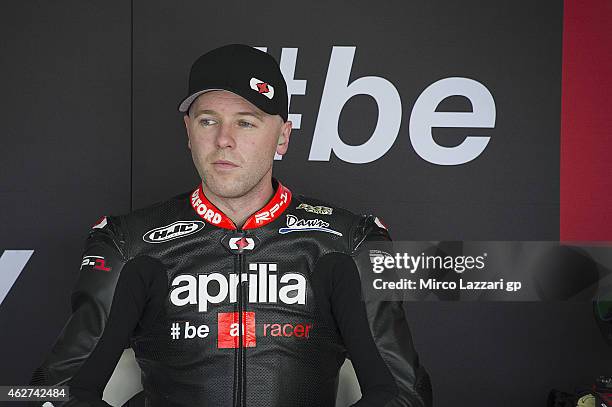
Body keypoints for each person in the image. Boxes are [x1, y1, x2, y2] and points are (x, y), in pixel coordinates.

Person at [30, 44, 432, 407]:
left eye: (246, 122)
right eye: (207, 121)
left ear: (283, 137)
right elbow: (53, 390)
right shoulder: (127, 242)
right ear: (188, 132)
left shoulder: (350, 241)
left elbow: (404, 394)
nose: (224, 139)